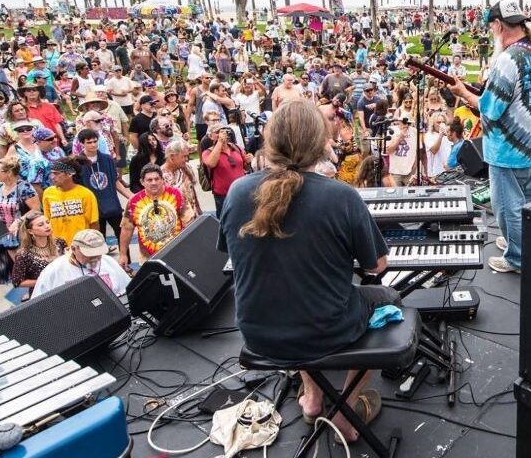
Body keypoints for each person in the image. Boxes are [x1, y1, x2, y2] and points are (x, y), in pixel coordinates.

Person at [218, 100, 395, 442]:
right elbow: (377, 265)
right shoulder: (341, 197)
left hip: (258, 334)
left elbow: (231, 252)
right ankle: (348, 410)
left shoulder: (238, 191)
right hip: (325, 330)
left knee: (295, 293)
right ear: (320, 143)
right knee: (387, 301)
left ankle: (312, 398)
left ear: (270, 143)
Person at [450, 0, 531, 273]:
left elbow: (490, 108)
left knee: (507, 206)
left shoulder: (508, 60)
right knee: (527, 200)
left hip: (511, 149)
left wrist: (463, 93)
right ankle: (517, 241)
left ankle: (517, 258)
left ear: (498, 25)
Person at [119, 163, 186, 266]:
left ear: (162, 180)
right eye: (149, 180)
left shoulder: (177, 195)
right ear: (142, 182)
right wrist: (123, 254)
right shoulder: (133, 201)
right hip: (148, 259)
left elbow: (190, 222)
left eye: (157, 179)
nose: (154, 183)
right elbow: (126, 229)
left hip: (178, 255)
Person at [33, 229, 131, 298]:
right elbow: (37, 306)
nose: (95, 258)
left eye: (98, 253)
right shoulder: (54, 270)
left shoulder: (108, 261)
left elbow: (127, 290)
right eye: (90, 254)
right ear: (74, 249)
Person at [77, 129, 132, 250]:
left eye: (95, 141)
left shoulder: (107, 159)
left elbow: (115, 181)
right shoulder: (78, 162)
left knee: (122, 235)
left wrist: (131, 197)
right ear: (82, 144)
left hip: (112, 205)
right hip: (93, 208)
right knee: (97, 240)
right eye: (89, 142)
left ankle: (126, 263)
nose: (93, 145)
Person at [0, 156, 40, 281]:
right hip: (3, 235)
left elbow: (36, 209)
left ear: (9, 173)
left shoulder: (24, 187)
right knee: (15, 268)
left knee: (27, 267)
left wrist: (18, 221)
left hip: (20, 234)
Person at [40, 157, 100, 246]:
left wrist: (93, 245)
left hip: (81, 244)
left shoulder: (86, 194)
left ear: (69, 174)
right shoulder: (48, 193)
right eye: (51, 173)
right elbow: (47, 220)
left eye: (56, 174)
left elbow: (93, 223)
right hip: (57, 245)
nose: (52, 177)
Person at [202, 124, 249, 214]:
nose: (222, 134)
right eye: (217, 132)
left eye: (223, 131)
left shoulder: (237, 148)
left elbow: (245, 167)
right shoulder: (207, 152)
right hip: (223, 196)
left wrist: (248, 161)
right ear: (211, 136)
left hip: (241, 191)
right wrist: (220, 142)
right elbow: (211, 163)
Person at [424, 112, 452, 180]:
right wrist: (440, 136)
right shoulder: (429, 135)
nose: (441, 124)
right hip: (436, 172)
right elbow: (434, 150)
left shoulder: (448, 135)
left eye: (443, 122)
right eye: (438, 122)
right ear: (433, 123)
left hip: (449, 170)